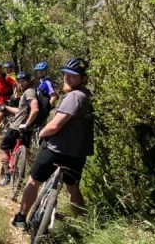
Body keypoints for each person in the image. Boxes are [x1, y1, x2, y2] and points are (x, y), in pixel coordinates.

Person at [12, 58, 94, 230]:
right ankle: (85, 227)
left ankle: (20, 217)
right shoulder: (87, 96)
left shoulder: (73, 97)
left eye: (73, 76)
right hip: (78, 154)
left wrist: (42, 133)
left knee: (33, 181)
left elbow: (55, 125)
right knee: (73, 188)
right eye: (66, 74)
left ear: (83, 79)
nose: (67, 78)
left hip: (56, 150)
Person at [0, 71, 39, 186]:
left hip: (17, 127)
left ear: (29, 81)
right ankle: (34, 174)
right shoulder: (29, 92)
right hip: (25, 128)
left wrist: (26, 124)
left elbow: (35, 109)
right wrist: (6, 107)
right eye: (19, 82)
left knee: (4, 148)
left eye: (23, 81)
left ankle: (7, 175)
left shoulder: (29, 92)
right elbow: (20, 112)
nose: (20, 84)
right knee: (26, 151)